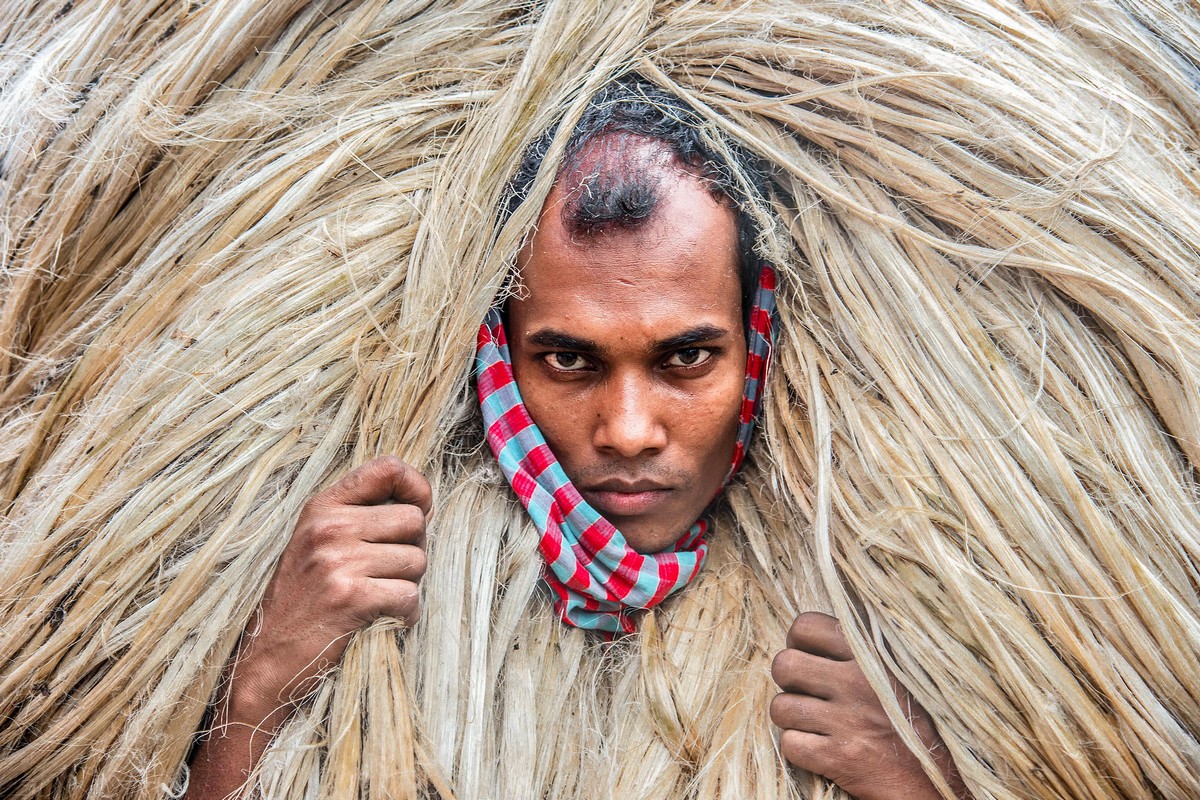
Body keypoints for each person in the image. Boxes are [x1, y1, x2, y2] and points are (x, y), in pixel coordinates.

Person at [184, 79, 967, 800]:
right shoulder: (394, 592)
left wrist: (919, 783)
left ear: (755, 349)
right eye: (568, 360)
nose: (628, 431)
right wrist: (260, 679)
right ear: (499, 351)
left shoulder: (862, 615)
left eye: (686, 358)